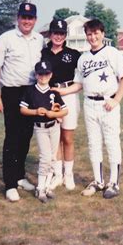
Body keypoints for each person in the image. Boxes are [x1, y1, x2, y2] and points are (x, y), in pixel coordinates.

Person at [56, 19, 123, 199]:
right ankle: (98, 181)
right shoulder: (83, 58)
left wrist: (116, 99)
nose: (93, 37)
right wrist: (62, 90)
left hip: (108, 103)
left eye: (96, 33)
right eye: (89, 34)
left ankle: (114, 182)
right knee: (94, 144)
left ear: (102, 34)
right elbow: (78, 84)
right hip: (89, 104)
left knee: (112, 142)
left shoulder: (112, 53)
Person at [0, 2, 45, 202]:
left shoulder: (40, 40)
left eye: (30, 18)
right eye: (24, 17)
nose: (27, 21)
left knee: (25, 136)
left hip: (31, 92)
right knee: (12, 137)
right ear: (17, 18)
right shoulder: (6, 39)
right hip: (12, 92)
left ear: (35, 20)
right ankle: (10, 184)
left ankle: (20, 176)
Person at [41, 19, 81, 191]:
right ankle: (57, 174)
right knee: (54, 138)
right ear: (50, 34)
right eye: (55, 33)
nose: (58, 36)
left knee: (67, 138)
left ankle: (68, 175)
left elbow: (81, 82)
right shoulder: (43, 53)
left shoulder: (74, 54)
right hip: (49, 97)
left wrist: (64, 92)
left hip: (69, 96)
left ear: (66, 35)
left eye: (62, 33)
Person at [20, 60, 68, 203]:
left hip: (54, 127)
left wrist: (54, 114)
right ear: (36, 75)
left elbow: (65, 110)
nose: (43, 77)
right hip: (40, 128)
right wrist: (35, 111)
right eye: (40, 74)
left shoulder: (53, 92)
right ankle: (40, 188)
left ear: (51, 75)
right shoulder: (30, 91)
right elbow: (22, 109)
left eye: (46, 74)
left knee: (52, 157)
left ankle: (47, 186)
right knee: (45, 157)